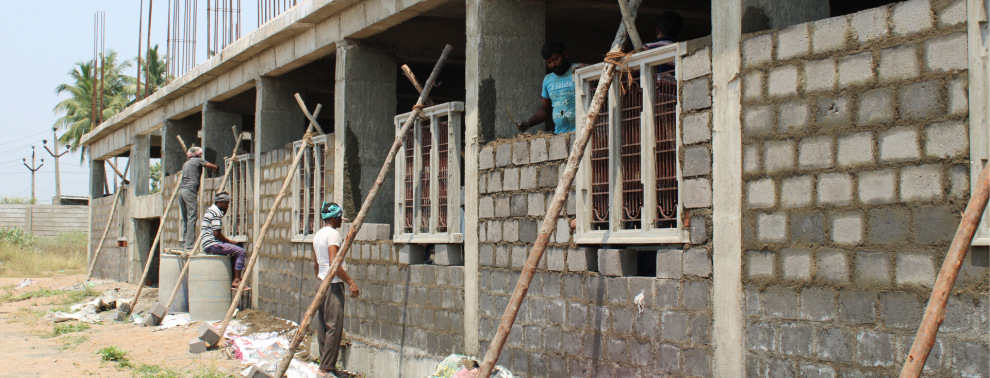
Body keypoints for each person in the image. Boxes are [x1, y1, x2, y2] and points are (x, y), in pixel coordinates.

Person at [310, 202, 359, 376]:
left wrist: (319, 280)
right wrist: (350, 282)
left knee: (323, 325)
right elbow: (334, 263)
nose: (341, 221)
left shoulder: (318, 234)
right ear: (335, 217)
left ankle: (326, 365)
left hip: (321, 282)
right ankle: (326, 368)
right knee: (334, 326)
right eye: (340, 218)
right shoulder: (333, 235)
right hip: (333, 284)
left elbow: (316, 263)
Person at [515, 40, 586, 135]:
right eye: (549, 62)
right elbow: (545, 109)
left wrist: (588, 68)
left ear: (564, 54)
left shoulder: (580, 71)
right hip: (560, 135)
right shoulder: (548, 80)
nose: (553, 64)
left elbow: (606, 74)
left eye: (555, 59)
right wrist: (528, 123)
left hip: (584, 132)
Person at [201, 192, 247, 288]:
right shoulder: (215, 213)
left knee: (233, 254)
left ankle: (233, 278)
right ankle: (237, 280)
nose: (227, 206)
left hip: (208, 243)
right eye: (226, 203)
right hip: (212, 243)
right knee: (241, 251)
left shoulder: (211, 210)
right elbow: (217, 234)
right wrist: (229, 241)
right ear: (219, 202)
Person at [177, 146, 218, 250]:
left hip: (181, 191)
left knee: (186, 219)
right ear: (199, 154)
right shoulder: (198, 160)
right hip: (189, 191)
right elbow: (210, 165)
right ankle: (189, 245)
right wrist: (217, 168)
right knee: (192, 218)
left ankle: (184, 243)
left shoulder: (186, 163)